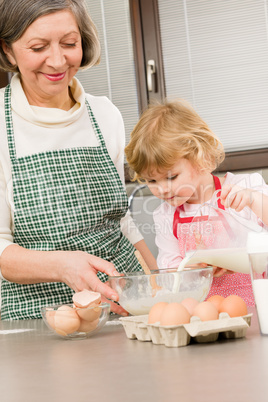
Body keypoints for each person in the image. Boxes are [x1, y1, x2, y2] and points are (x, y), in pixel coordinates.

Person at [0, 0, 157, 320]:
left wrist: (162, 282)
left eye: (70, 43)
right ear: (8, 51)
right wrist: (61, 265)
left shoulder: (105, 114)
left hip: (122, 303)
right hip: (37, 316)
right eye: (38, 46)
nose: (57, 61)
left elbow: (120, 219)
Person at [125, 99, 268, 306]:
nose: (162, 189)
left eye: (171, 177)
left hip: (257, 307)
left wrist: (253, 200)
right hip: (200, 314)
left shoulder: (244, 187)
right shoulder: (166, 215)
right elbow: (168, 273)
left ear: (201, 158)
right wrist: (193, 269)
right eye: (151, 181)